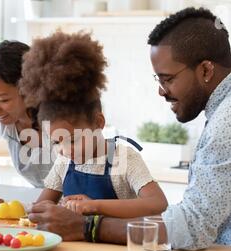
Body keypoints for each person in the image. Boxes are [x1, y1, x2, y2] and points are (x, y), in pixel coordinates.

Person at [28, 7, 231, 251]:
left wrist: (88, 227)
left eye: (167, 79)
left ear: (205, 70)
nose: (161, 90)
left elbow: (192, 227)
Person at [19, 31, 168, 219]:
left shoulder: (124, 158)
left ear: (99, 123)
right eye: (57, 142)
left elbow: (158, 203)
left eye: (72, 140)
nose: (65, 150)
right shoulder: (64, 163)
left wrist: (94, 206)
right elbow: (41, 206)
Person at [0, 40, 54, 189]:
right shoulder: (1, 120)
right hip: (43, 204)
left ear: (29, 90)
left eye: (3, 99)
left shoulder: (59, 121)